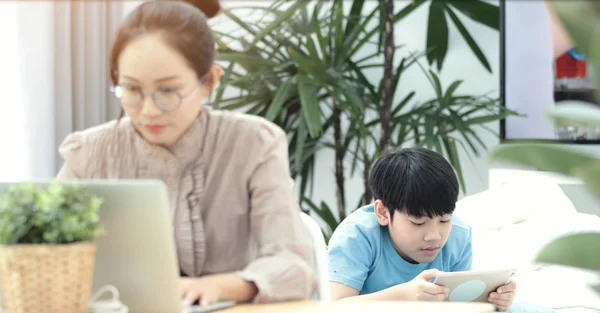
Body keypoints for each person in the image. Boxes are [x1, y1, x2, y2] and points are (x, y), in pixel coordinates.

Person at [56, 0, 316, 307]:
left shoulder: (254, 144)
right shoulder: (88, 153)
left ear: (209, 82)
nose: (149, 111)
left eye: (168, 91)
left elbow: (294, 265)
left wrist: (221, 286)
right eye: (132, 90)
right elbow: (40, 249)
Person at [327, 147, 517, 311]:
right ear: (383, 213)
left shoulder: (459, 234)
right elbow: (334, 307)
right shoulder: (356, 236)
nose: (435, 236)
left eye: (444, 219)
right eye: (418, 223)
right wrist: (402, 296)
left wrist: (494, 300)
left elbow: (460, 305)